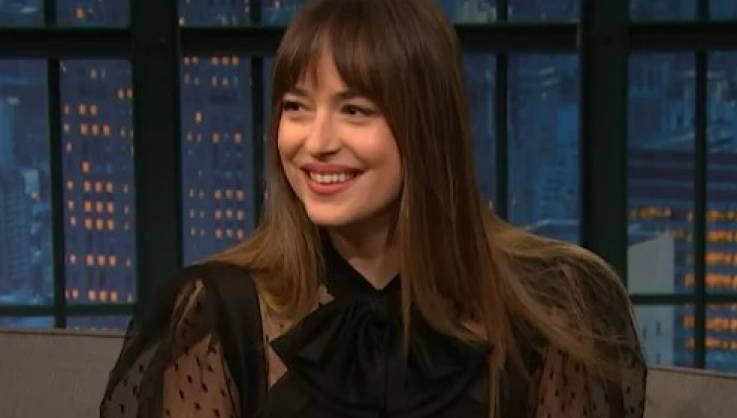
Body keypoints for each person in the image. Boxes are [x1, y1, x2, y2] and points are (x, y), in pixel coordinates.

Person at [100, 0, 647, 417]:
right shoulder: (215, 315)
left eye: (355, 110)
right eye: (296, 107)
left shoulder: (556, 307)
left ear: (426, 127)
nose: (315, 143)